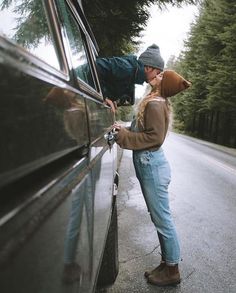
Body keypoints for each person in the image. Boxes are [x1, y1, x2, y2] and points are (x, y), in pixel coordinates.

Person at [113, 70, 191, 286]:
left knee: (162, 220)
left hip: (153, 167)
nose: (155, 76)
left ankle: (172, 269)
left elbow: (154, 138)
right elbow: (142, 129)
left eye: (160, 76)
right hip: (151, 166)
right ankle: (166, 263)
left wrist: (124, 136)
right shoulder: (154, 100)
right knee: (159, 218)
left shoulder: (156, 103)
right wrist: (125, 129)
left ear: (163, 85)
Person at [96, 44, 164, 108]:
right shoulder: (126, 68)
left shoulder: (132, 76)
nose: (157, 77)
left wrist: (109, 98)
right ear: (148, 68)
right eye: (157, 73)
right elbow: (97, 66)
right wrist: (103, 97)